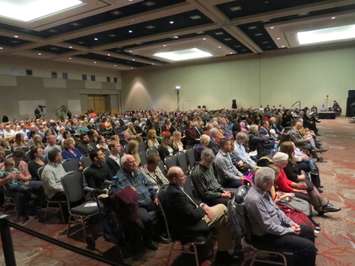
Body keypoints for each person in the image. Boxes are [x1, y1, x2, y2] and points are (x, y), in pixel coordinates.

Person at [160, 166, 236, 262]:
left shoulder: (176, 188)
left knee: (223, 219)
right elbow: (192, 216)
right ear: (174, 179)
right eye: (182, 176)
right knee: (223, 208)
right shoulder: (175, 194)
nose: (185, 177)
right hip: (190, 226)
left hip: (194, 217)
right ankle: (224, 250)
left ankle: (223, 251)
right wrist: (203, 208)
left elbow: (192, 200)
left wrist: (202, 205)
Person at [245, 167, 317, 266]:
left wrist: (291, 223)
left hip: (276, 228)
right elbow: (268, 227)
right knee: (308, 247)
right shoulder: (254, 200)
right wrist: (290, 230)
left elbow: (278, 211)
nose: (274, 185)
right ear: (266, 183)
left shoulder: (262, 190)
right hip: (266, 237)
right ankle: (306, 255)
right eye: (272, 182)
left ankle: (302, 258)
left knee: (307, 230)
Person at [112, 154, 158, 250]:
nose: (134, 164)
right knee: (147, 219)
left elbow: (149, 185)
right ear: (124, 164)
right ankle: (148, 240)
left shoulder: (138, 172)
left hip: (149, 199)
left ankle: (159, 233)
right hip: (137, 205)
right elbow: (127, 196)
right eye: (131, 162)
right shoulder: (119, 178)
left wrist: (155, 196)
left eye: (134, 161)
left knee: (165, 205)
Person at [272, 152, 340, 215]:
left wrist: (295, 185)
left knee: (309, 186)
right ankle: (322, 207)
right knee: (308, 195)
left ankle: (322, 207)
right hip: (284, 192)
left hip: (288, 189)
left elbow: (286, 180)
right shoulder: (277, 171)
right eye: (285, 161)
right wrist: (297, 189)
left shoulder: (280, 168)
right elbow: (284, 187)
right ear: (280, 162)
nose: (287, 163)